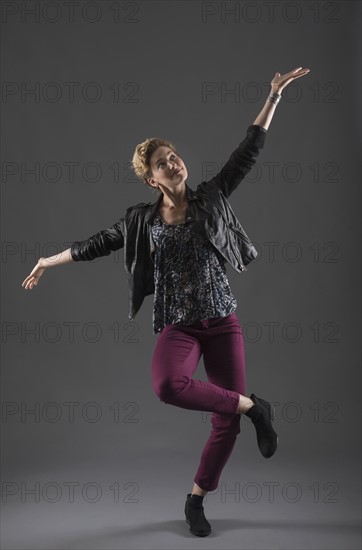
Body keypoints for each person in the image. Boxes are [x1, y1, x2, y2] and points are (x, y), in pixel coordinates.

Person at [22, 66, 310, 537]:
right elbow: (95, 244)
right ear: (151, 179)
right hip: (179, 324)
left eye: (174, 156)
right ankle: (253, 406)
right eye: (162, 162)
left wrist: (273, 96)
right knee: (168, 385)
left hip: (222, 320)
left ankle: (196, 500)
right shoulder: (141, 221)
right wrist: (46, 261)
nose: (173, 163)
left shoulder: (211, 197)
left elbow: (248, 152)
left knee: (226, 426)